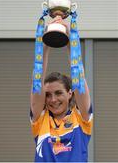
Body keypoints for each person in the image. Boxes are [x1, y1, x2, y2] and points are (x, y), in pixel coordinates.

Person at [30, 17, 93, 162]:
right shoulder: (40, 119)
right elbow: (37, 82)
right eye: (47, 95)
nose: (53, 99)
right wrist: (45, 42)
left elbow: (79, 78)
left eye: (59, 93)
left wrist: (71, 41)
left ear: (70, 93)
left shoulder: (81, 118)